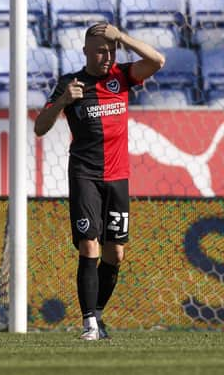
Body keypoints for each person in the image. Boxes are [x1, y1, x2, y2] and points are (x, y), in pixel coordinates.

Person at [34, 22, 165, 340]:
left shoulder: (122, 76)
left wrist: (122, 37)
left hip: (119, 176)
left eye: (111, 50)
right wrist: (64, 101)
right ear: (86, 52)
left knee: (115, 253)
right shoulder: (71, 84)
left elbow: (157, 61)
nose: (107, 56)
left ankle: (98, 315)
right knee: (89, 245)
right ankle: (88, 323)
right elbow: (40, 127)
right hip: (85, 175)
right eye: (100, 50)